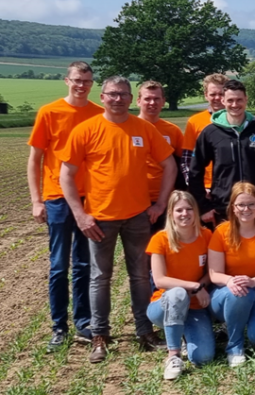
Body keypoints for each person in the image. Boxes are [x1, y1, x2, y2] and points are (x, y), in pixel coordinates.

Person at [58, 75, 176, 363]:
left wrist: (161, 203)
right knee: (100, 277)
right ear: (102, 98)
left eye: (123, 94)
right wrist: (80, 214)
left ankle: (145, 332)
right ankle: (99, 335)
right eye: (113, 94)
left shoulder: (144, 129)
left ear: (130, 98)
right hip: (99, 219)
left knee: (140, 276)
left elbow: (169, 165)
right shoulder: (87, 130)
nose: (118, 99)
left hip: (138, 216)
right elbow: (66, 175)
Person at [28, 61, 103, 350]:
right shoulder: (49, 112)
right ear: (66, 81)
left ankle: (83, 322)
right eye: (76, 80)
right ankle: (59, 326)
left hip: (89, 199)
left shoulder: (98, 113)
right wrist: (36, 200)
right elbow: (35, 159)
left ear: (92, 83)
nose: (81, 85)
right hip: (57, 198)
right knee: (59, 266)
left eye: (86, 80)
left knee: (84, 264)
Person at [208, 182, 255, 367]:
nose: (246, 209)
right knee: (240, 294)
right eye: (241, 204)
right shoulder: (221, 232)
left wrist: (253, 281)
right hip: (228, 291)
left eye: (251, 204)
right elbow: (214, 274)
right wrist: (230, 281)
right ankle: (234, 346)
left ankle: (243, 321)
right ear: (233, 207)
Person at [189, 79, 255, 227]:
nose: (235, 104)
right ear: (223, 101)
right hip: (223, 207)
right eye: (230, 100)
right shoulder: (210, 133)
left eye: (239, 100)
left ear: (246, 99)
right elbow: (195, 171)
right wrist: (203, 206)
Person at [146, 190, 215, 380]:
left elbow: (211, 272)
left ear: (196, 211)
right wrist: (194, 286)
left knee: (204, 357)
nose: (184, 214)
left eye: (189, 209)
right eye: (179, 210)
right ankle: (173, 355)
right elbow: (160, 280)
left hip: (194, 306)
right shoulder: (160, 239)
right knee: (178, 294)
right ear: (171, 213)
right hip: (164, 304)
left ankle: (183, 333)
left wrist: (200, 285)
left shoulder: (206, 235)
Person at [138, 80, 185, 231]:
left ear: (163, 101)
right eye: (147, 99)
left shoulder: (172, 130)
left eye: (156, 99)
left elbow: (184, 163)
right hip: (136, 200)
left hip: (166, 199)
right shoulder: (129, 128)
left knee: (167, 242)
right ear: (138, 101)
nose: (152, 103)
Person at [182, 73, 227, 191]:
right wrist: (195, 186)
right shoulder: (194, 121)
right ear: (206, 95)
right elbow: (187, 159)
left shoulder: (238, 121)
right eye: (213, 94)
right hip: (204, 186)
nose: (217, 98)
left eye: (221, 94)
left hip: (231, 186)